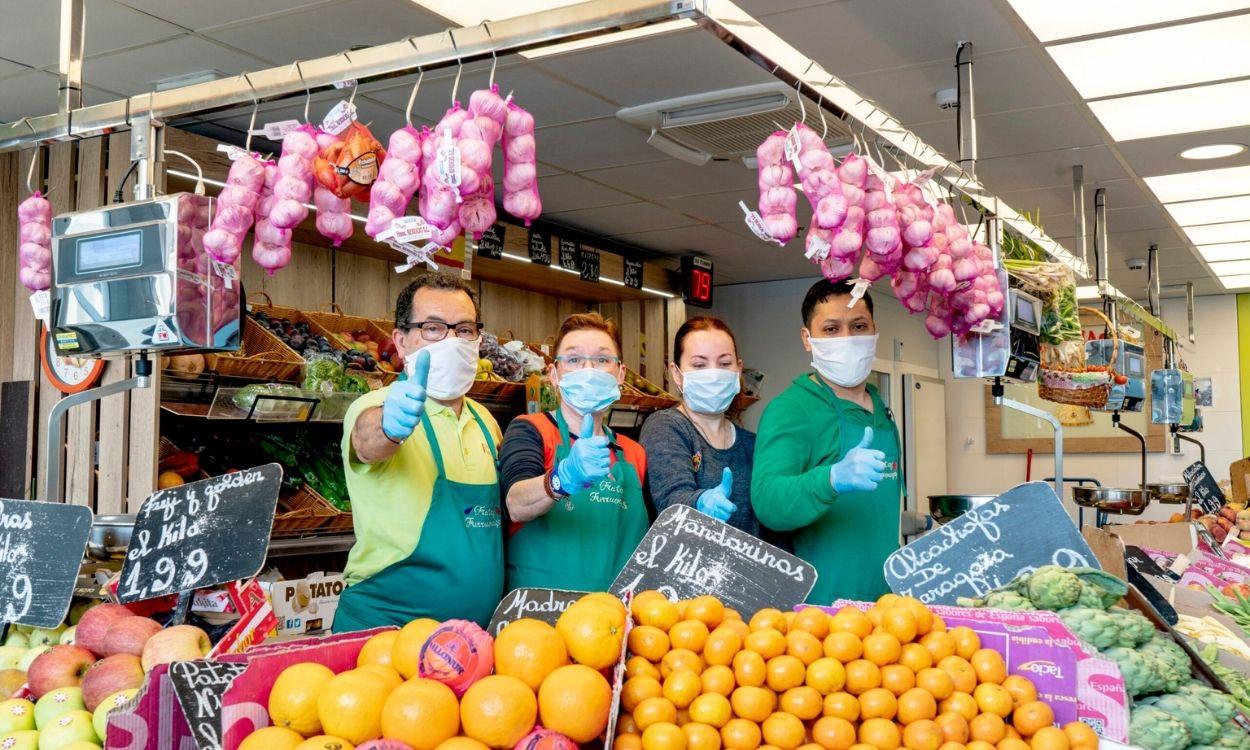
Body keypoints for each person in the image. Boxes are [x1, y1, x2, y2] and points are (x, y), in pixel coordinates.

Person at [334, 272, 503, 631]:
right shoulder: (376, 404)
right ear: (401, 340)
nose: (452, 341)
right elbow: (366, 441)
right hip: (384, 631)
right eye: (433, 328)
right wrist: (389, 427)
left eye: (464, 330)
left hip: (470, 640)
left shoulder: (486, 422)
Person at [751, 278, 902, 604]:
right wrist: (831, 479)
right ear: (808, 339)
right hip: (821, 612)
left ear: (875, 329)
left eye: (859, 326)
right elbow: (768, 502)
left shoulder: (881, 408)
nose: (847, 338)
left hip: (886, 605)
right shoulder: (791, 409)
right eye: (831, 330)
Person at [499, 313, 648, 591]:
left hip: (616, 621)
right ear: (554, 375)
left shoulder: (635, 454)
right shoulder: (531, 430)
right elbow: (515, 504)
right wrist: (561, 479)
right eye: (574, 360)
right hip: (538, 619)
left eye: (603, 360)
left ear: (621, 375)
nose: (588, 369)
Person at [640, 316, 764, 537]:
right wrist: (699, 502)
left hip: (744, 570)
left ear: (738, 370)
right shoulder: (667, 426)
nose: (714, 373)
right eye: (699, 365)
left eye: (725, 363)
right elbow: (671, 500)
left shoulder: (752, 444)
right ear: (677, 374)